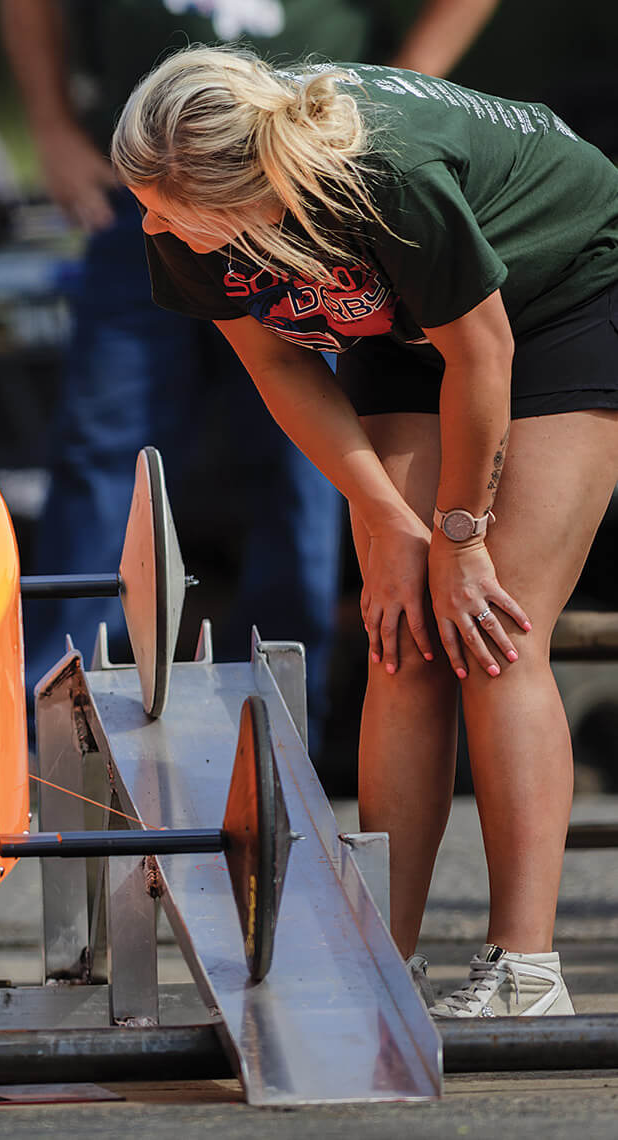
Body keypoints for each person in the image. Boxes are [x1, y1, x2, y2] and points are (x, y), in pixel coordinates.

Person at [110, 45, 618, 1017]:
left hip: (559, 296)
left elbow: (486, 350)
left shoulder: (390, 176)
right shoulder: (181, 212)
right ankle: (386, 950)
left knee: (495, 630)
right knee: (403, 636)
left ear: (255, 198)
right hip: (400, 324)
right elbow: (281, 369)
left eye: (166, 209)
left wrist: (461, 538)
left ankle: (525, 965)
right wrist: (387, 521)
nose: (147, 222)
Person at [0, 0, 498, 762]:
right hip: (150, 176)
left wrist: (389, 96)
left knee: (307, 462)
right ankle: (51, 719)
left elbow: (478, 352)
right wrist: (52, 125)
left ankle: (279, 720)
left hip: (292, 184)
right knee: (101, 446)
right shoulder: (155, 224)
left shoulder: (383, 175)